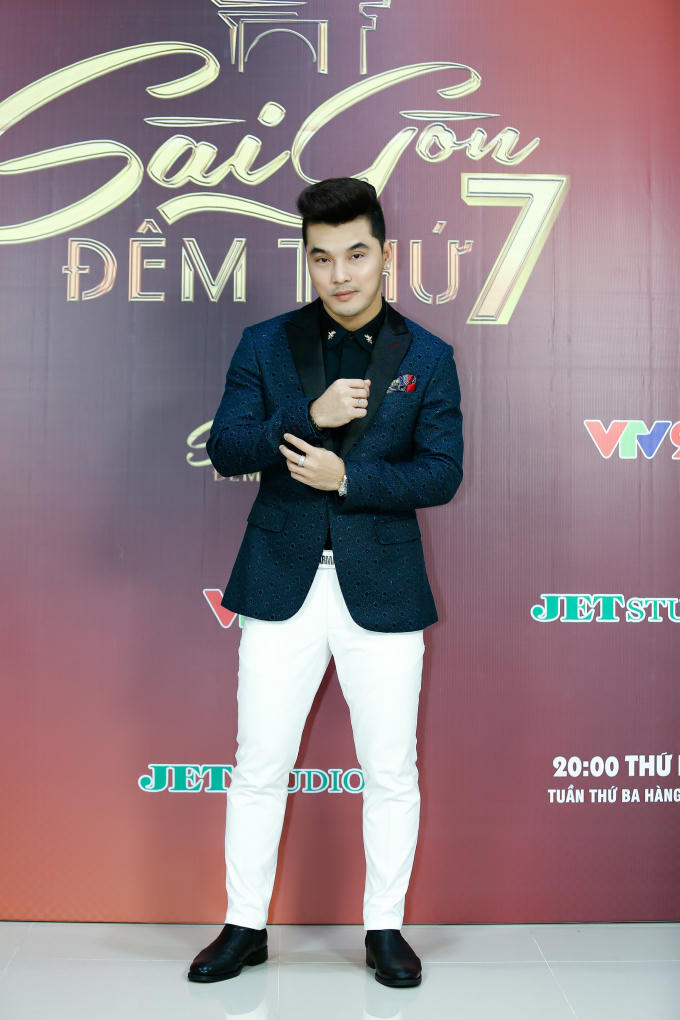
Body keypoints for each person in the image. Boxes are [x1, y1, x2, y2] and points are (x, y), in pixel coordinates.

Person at [188, 177, 463, 988]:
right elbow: (229, 447)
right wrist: (307, 415)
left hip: (384, 584)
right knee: (258, 763)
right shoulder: (265, 344)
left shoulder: (428, 357)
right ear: (306, 260)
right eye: (322, 258)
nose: (340, 274)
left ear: (385, 255)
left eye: (356, 254)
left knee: (391, 768)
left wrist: (350, 477)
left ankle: (385, 929)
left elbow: (442, 473)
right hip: (282, 579)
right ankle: (244, 925)